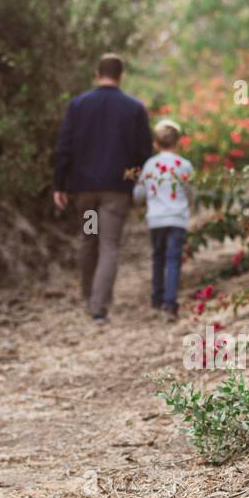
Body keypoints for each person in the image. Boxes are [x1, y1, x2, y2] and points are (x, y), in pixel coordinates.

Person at [53, 53, 153, 323]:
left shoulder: (78, 105)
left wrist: (59, 184)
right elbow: (144, 153)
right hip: (116, 192)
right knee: (109, 245)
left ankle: (89, 297)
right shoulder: (133, 108)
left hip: (85, 191)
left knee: (89, 239)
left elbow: (65, 148)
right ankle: (99, 307)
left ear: (97, 74)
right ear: (121, 76)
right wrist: (134, 179)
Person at [133, 119, 195, 321]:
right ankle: (170, 305)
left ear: (155, 143)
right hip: (177, 218)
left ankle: (156, 301)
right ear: (178, 142)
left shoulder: (150, 165)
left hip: (156, 219)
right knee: (174, 260)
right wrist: (190, 203)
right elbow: (191, 192)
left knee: (158, 258)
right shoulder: (184, 165)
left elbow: (138, 194)